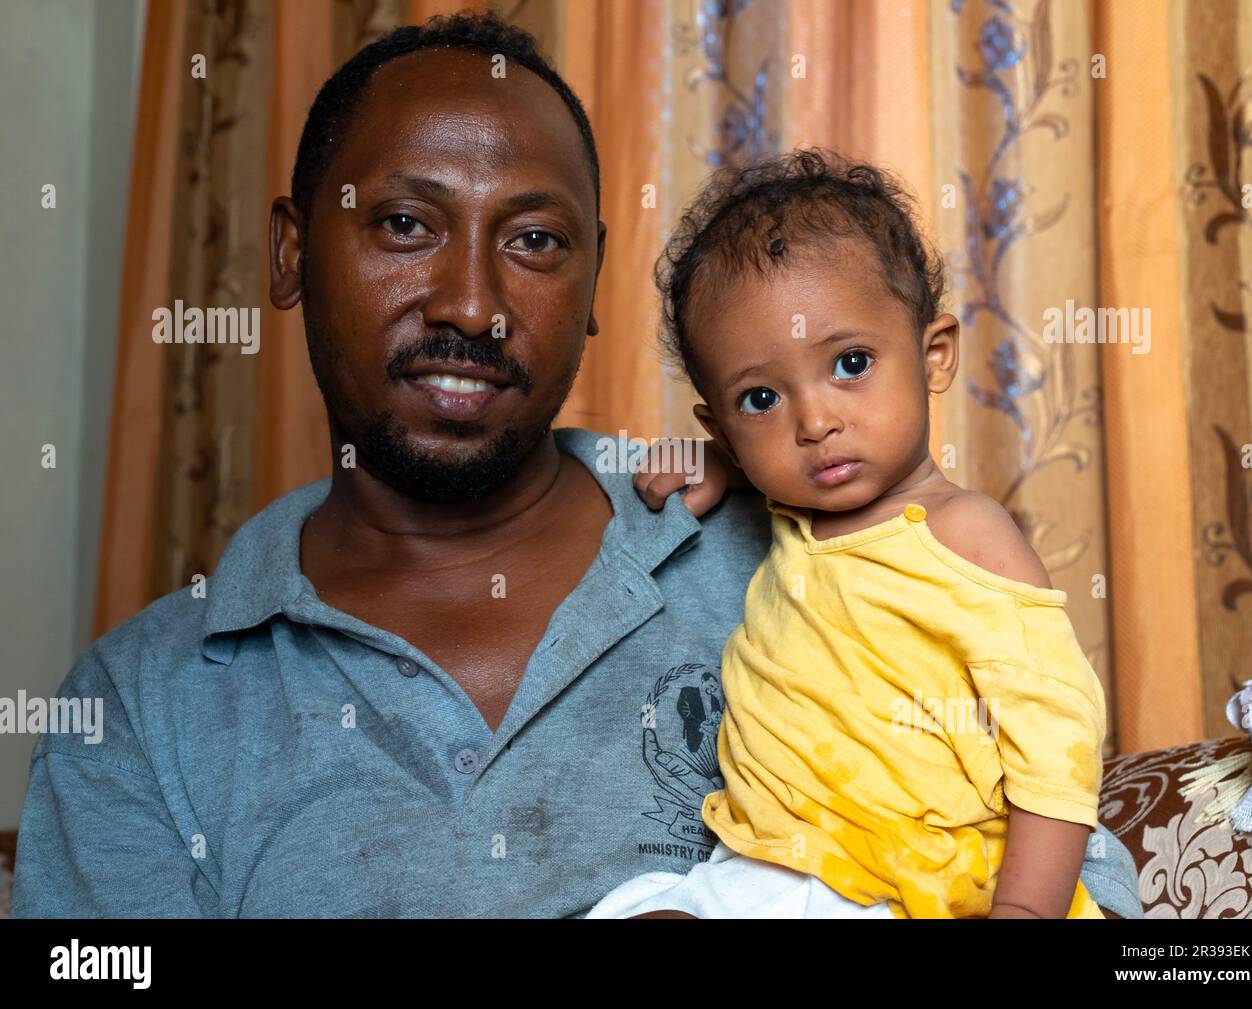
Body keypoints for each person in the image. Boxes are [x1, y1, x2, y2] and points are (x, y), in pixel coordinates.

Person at [11, 12, 1142, 918]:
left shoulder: (793, 544)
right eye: (404, 224)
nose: (470, 302)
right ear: (292, 254)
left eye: (535, 241)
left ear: (594, 288)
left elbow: (1076, 871)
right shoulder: (142, 707)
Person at [590, 151, 1114, 919]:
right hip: (759, 863)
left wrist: (1026, 912)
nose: (815, 421)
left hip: (908, 882)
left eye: (851, 362)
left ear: (934, 355)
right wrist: (715, 464)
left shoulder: (967, 536)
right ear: (726, 429)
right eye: (762, 396)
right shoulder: (791, 511)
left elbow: (1056, 744)